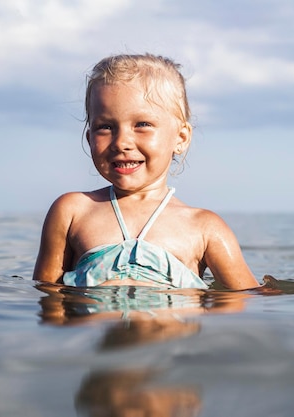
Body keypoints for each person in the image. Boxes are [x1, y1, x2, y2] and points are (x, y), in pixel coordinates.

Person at [33, 53, 259, 290]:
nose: (121, 142)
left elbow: (246, 300)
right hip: (93, 328)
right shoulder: (73, 211)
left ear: (180, 138)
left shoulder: (204, 228)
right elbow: (48, 299)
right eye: (105, 127)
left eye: (142, 125)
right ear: (89, 138)